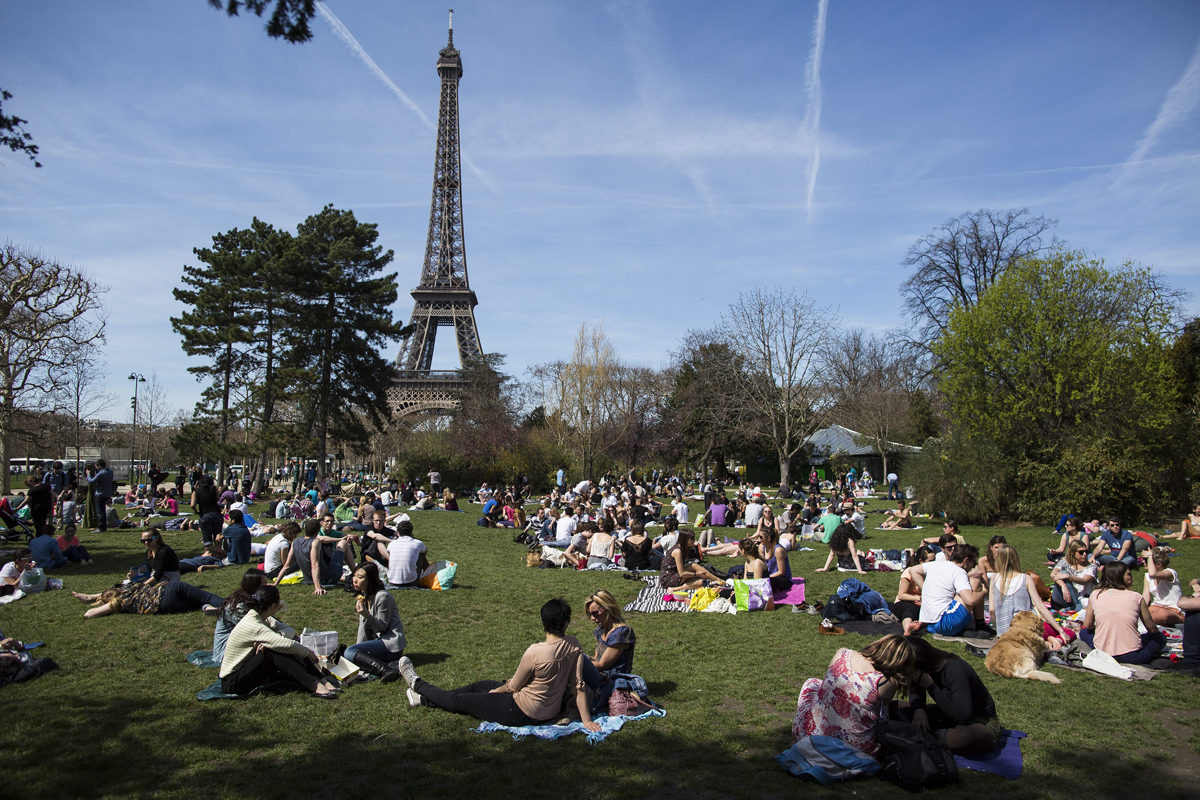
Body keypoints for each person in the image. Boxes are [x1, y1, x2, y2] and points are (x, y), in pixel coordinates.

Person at [398, 598, 599, 731]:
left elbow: (513, 687)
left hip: (520, 711)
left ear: (543, 622)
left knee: (460, 702)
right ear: (566, 623)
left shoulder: (535, 652)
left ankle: (417, 684)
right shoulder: (574, 645)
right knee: (480, 686)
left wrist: (497, 692)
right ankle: (423, 700)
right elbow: (577, 686)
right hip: (548, 710)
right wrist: (587, 720)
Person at [792, 635, 915, 755]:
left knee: (813, 683)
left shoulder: (843, 653)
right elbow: (884, 707)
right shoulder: (886, 682)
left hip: (810, 735)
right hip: (856, 748)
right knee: (881, 706)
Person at [219, 585, 340, 698]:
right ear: (272, 606)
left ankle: (321, 680)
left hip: (243, 673)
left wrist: (278, 635)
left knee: (279, 646)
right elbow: (285, 644)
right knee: (272, 650)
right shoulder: (254, 624)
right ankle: (315, 684)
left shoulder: (261, 617)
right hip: (233, 682)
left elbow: (289, 630)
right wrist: (307, 652)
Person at [905, 636, 1001, 754]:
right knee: (898, 708)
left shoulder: (956, 669)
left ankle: (918, 736)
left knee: (964, 737)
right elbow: (915, 691)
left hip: (980, 721)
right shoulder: (925, 669)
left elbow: (963, 716)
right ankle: (922, 735)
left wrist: (931, 687)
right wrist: (918, 709)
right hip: (947, 714)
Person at [1082, 562, 1165, 664]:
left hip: (1102, 652)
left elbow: (1088, 625)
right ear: (1118, 576)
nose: (1132, 576)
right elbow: (1152, 629)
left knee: (1084, 632)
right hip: (1132, 656)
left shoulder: (1095, 595)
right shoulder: (1136, 597)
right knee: (1160, 638)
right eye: (1128, 574)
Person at [989, 544, 1067, 645]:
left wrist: (998, 629)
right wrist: (1061, 630)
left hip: (1004, 634)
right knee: (1069, 633)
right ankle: (1051, 641)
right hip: (1027, 631)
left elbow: (992, 610)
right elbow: (1041, 607)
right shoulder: (1025, 578)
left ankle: (1049, 642)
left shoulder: (994, 579)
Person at [905, 544, 984, 637]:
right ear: (966, 560)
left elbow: (913, 570)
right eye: (973, 563)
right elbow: (970, 600)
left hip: (928, 622)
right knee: (975, 583)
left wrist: (924, 588)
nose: (973, 567)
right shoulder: (959, 572)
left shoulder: (936, 564)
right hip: (945, 622)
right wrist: (984, 592)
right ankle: (980, 624)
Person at [344, 563, 406, 681]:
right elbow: (363, 626)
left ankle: (386, 670)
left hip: (390, 644)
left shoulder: (383, 597)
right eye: (354, 576)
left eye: (360, 577)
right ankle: (385, 666)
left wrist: (366, 615)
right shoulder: (364, 595)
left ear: (370, 579)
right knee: (348, 654)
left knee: (350, 652)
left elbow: (382, 627)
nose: (355, 580)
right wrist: (358, 648)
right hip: (378, 641)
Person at [580, 589, 636, 712]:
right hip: (601, 676)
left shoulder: (621, 633)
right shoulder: (602, 629)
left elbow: (602, 664)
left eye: (595, 613)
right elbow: (597, 658)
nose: (592, 618)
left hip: (612, 680)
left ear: (608, 608)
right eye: (590, 614)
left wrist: (578, 661)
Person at [273, 518, 356, 595]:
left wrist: (276, 582)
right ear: (317, 532)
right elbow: (315, 564)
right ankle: (355, 573)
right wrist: (318, 587)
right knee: (343, 543)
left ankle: (355, 574)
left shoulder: (295, 542)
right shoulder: (315, 542)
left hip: (309, 580)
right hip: (328, 579)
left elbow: (287, 565)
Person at [211, 570, 274, 665]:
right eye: (262, 584)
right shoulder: (237, 606)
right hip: (225, 653)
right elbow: (254, 629)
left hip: (243, 643)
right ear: (253, 586)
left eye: (266, 583)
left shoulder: (253, 599)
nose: (266, 587)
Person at [73, 580, 224, 618]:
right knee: (206, 596)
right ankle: (234, 605)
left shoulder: (120, 603)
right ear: (118, 589)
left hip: (165, 606)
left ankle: (208, 608)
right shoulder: (129, 588)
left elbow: (89, 614)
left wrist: (96, 600)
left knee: (196, 603)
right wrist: (94, 596)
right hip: (168, 588)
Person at [890, 546, 935, 630]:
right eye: (930, 561)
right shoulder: (910, 571)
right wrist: (919, 598)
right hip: (905, 603)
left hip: (922, 603)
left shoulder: (933, 573)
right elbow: (901, 595)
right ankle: (908, 629)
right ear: (921, 561)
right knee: (911, 609)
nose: (933, 564)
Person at [1143, 547, 1185, 627]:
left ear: (1158, 564)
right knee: (1142, 615)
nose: (1144, 562)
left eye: (1146, 560)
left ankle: (1183, 619)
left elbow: (1153, 574)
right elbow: (1146, 597)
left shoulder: (1170, 573)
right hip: (1156, 607)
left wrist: (1150, 556)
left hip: (1173, 609)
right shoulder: (1147, 576)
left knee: (1161, 615)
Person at [1050, 542, 1097, 611]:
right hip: (1064, 597)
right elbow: (1053, 574)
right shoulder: (1064, 562)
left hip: (1082, 599)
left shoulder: (1092, 567)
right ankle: (1076, 607)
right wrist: (1063, 586)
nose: (1085, 554)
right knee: (1062, 572)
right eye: (1081, 552)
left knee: (1063, 574)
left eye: (1086, 551)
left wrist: (1068, 576)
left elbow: (1084, 581)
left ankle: (1074, 607)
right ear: (1072, 553)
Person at [384, 520, 427, 589]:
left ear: (398, 533)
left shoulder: (392, 544)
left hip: (392, 580)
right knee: (421, 554)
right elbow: (425, 552)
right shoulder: (418, 543)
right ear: (411, 532)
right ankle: (428, 574)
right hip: (411, 581)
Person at [192, 475, 222, 546]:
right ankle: (218, 552)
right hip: (216, 513)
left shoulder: (196, 491)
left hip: (204, 514)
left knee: (207, 538)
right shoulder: (214, 489)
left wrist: (196, 510)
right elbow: (218, 499)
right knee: (217, 536)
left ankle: (208, 552)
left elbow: (192, 505)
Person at [761, 527, 793, 592]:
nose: (759, 539)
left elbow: (781, 572)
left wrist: (766, 578)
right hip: (769, 575)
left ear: (768, 538)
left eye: (761, 537)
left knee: (767, 583)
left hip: (783, 578)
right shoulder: (762, 547)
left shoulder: (778, 550)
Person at [86, 459, 114, 532]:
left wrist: (88, 474)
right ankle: (103, 527)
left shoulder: (101, 474)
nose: (96, 467)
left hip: (100, 494)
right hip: (107, 493)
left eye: (96, 466)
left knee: (100, 512)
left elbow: (91, 481)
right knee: (103, 511)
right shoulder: (109, 472)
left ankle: (101, 528)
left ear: (99, 466)